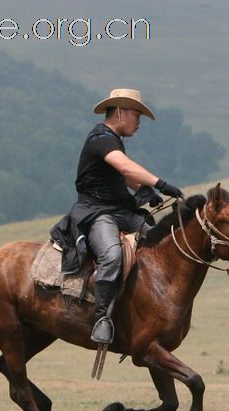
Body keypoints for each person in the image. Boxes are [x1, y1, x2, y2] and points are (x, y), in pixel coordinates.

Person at [53, 88, 184, 345]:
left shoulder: (113, 141)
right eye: (137, 116)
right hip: (96, 212)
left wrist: (145, 191)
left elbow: (122, 176)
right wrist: (161, 184)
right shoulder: (100, 138)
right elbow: (125, 166)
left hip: (120, 211)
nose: (139, 124)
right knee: (111, 256)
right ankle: (102, 319)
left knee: (158, 242)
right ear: (121, 112)